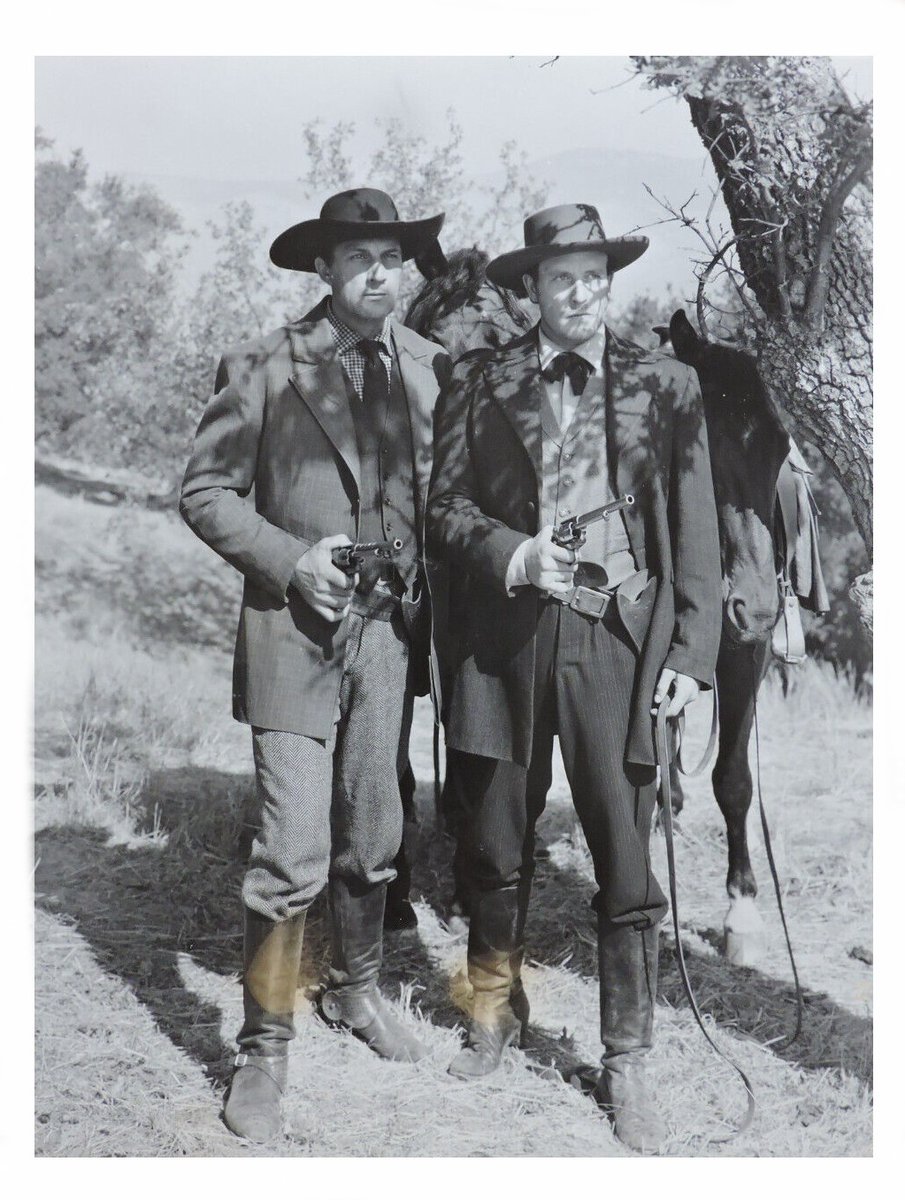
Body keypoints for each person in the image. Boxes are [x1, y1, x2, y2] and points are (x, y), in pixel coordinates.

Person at [426, 203, 722, 1155]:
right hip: (500, 644)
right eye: (561, 278)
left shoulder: (664, 385)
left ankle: (625, 1057)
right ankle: (492, 1012)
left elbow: (697, 528)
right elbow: (442, 510)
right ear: (531, 289)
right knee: (493, 843)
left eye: (595, 274)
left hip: (617, 646)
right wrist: (512, 554)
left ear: (610, 280)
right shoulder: (477, 380)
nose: (581, 291)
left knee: (623, 854)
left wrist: (688, 657)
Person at [180, 188, 450, 1142]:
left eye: (394, 257)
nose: (382, 273)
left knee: (374, 835)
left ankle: (357, 991)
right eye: (361, 258)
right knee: (291, 852)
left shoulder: (432, 370)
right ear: (325, 271)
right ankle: (263, 1050)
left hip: (387, 641)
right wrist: (291, 560)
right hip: (292, 638)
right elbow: (205, 492)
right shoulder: (260, 366)